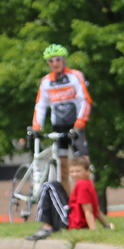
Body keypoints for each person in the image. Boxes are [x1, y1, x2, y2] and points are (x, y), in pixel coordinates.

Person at [33, 43, 90, 193]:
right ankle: (68, 206)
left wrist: (79, 124)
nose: (54, 63)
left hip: (75, 125)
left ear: (63, 60)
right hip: (58, 127)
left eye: (57, 59)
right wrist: (36, 127)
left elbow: (85, 101)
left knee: (84, 166)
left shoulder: (75, 76)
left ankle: (86, 200)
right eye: (50, 61)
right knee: (63, 170)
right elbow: (40, 105)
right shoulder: (45, 82)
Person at [26, 156, 113, 240]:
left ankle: (47, 227)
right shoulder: (89, 183)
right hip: (73, 219)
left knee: (48, 186)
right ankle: (48, 225)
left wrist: (94, 232)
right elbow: (96, 209)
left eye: (78, 171)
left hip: (70, 222)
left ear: (87, 171)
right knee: (57, 186)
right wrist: (107, 226)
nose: (74, 174)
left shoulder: (81, 184)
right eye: (72, 172)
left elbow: (88, 211)